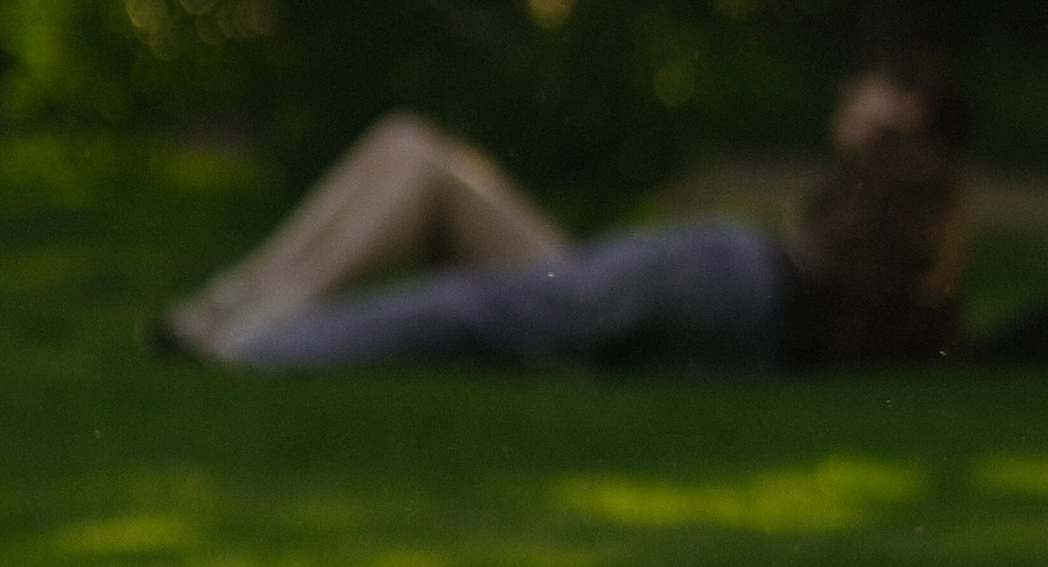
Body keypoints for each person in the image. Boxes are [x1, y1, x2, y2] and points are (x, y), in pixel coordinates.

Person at [155, 63, 971, 373]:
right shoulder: (912, 196)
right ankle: (239, 300)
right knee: (411, 146)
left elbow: (845, 298)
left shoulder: (910, 174)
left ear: (908, 104)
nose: (846, 91)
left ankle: (267, 334)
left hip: (725, 271)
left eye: (868, 85)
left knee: (483, 305)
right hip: (717, 279)